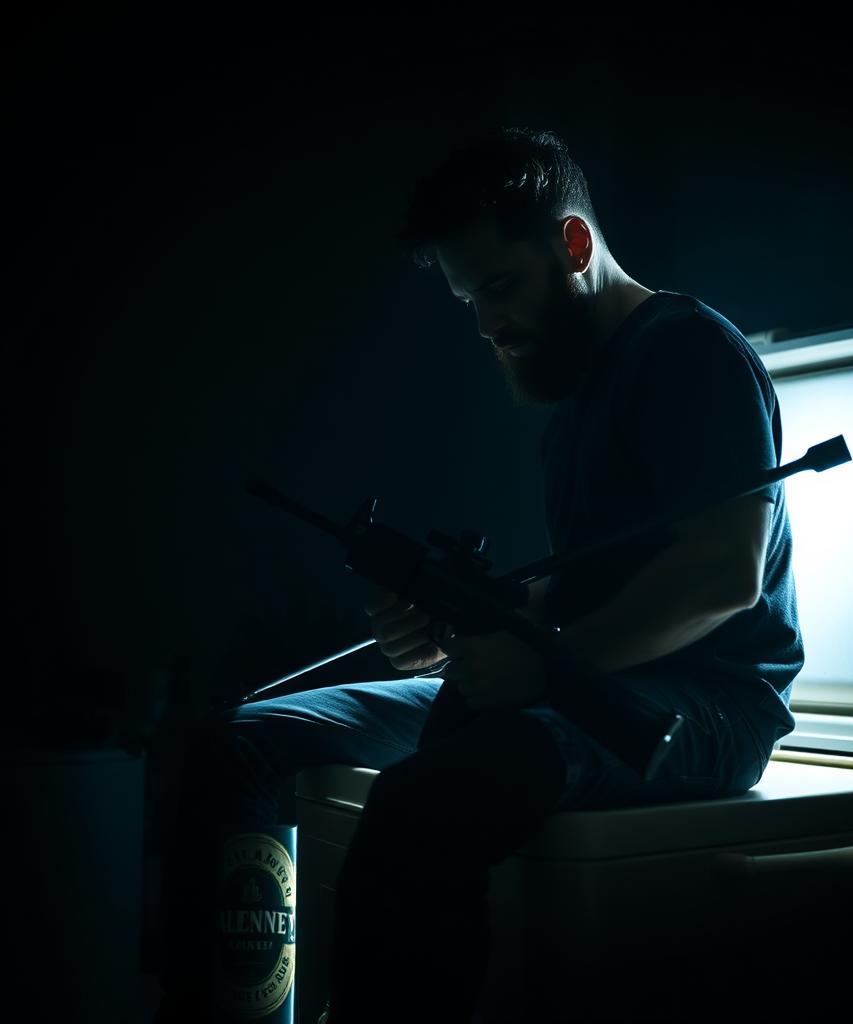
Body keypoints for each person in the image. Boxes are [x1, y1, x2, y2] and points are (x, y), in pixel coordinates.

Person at [154, 126, 804, 1023]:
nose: (488, 323)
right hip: (582, 680)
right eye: (468, 301)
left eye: (499, 286)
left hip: (704, 708)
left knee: (424, 803)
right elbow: (575, 597)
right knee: (240, 742)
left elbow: (723, 573)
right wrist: (449, 635)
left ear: (573, 247)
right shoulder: (577, 405)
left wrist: (541, 664)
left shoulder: (688, 352)